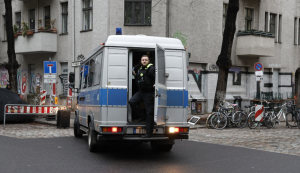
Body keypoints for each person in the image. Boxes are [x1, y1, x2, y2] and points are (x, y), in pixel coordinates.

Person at [128, 55, 155, 138]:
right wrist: (135, 75)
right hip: (141, 92)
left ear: (148, 61)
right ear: (141, 61)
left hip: (148, 92)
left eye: (145, 60)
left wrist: (155, 84)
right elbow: (141, 78)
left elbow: (157, 78)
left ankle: (149, 133)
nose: (144, 61)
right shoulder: (140, 69)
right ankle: (141, 116)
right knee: (132, 101)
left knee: (149, 112)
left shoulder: (151, 68)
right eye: (143, 60)